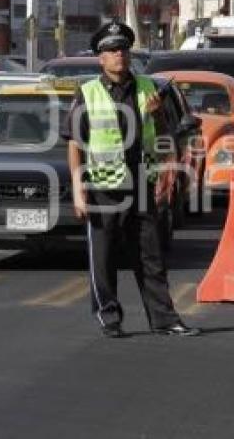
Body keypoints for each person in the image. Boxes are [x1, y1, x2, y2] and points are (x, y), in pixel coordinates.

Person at [63, 21, 201, 339]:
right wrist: (79, 191)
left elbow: (166, 137)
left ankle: (164, 319)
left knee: (150, 257)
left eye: (123, 49)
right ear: (101, 58)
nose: (119, 55)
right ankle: (109, 318)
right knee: (104, 258)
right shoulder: (87, 92)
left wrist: (158, 118)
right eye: (111, 51)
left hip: (141, 185)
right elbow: (74, 143)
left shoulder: (150, 88)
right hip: (102, 188)